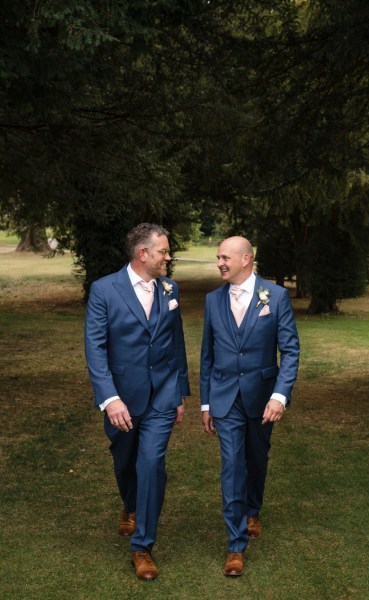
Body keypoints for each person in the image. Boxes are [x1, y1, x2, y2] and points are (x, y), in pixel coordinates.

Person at [85, 223, 190, 581]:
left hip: (162, 394)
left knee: (151, 463)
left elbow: (176, 343)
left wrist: (179, 392)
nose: (168, 256)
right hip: (122, 398)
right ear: (142, 254)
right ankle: (130, 504)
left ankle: (142, 547)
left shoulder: (170, 288)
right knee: (125, 461)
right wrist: (109, 398)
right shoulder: (103, 290)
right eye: (163, 251)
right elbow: (95, 349)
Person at [200, 236, 300, 576]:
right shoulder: (213, 300)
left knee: (256, 459)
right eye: (218, 257)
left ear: (247, 259)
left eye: (225, 257)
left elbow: (291, 351)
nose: (220, 263)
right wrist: (205, 402)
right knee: (232, 466)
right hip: (225, 398)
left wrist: (279, 395)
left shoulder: (277, 296)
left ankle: (253, 507)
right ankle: (235, 546)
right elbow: (207, 355)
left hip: (262, 398)